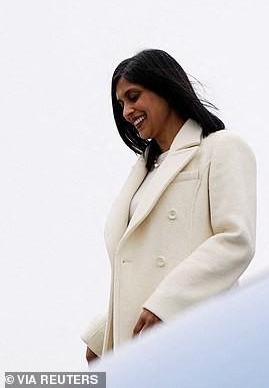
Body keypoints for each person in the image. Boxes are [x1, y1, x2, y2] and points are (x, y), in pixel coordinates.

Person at [81, 49, 256, 361]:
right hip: (145, 338)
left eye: (133, 96)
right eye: (121, 104)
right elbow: (137, 267)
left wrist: (166, 304)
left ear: (165, 88)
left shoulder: (221, 148)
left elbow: (235, 240)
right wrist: (104, 334)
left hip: (197, 331)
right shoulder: (143, 172)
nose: (126, 112)